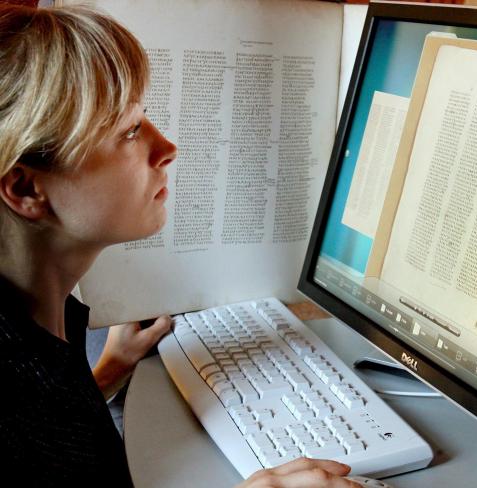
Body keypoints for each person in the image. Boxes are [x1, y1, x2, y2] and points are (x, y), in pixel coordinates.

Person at [0, 5, 357, 487]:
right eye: (129, 132)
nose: (168, 148)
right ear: (26, 189)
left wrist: (108, 372)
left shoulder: (41, 324)